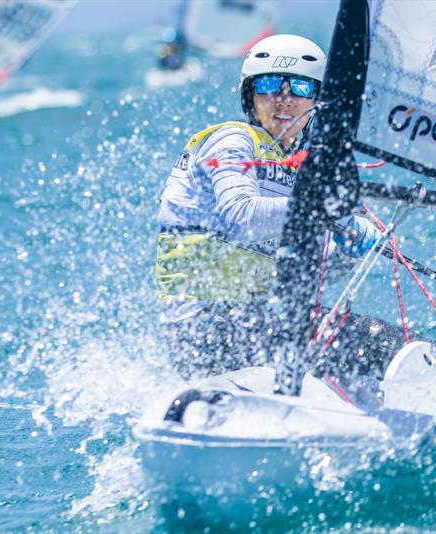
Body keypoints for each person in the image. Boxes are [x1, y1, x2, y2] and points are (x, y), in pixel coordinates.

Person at [155, 34, 409, 396]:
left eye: (301, 87)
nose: (284, 99)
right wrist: (322, 208)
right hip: (205, 331)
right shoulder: (232, 140)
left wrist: (348, 250)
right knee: (371, 341)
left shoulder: (300, 171)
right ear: (250, 95)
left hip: (263, 326)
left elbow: (314, 270)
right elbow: (240, 218)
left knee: (374, 344)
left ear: (317, 100)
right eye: (270, 85)